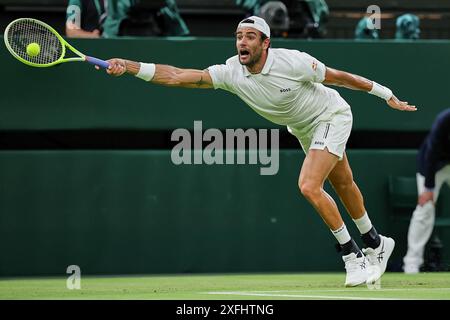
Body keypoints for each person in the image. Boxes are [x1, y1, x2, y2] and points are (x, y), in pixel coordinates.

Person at [99, 16, 416, 286]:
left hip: (331, 115)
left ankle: (352, 255)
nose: (242, 42)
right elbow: (178, 76)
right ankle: (376, 242)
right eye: (238, 36)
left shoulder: (293, 61)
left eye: (250, 36)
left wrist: (385, 93)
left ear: (266, 43)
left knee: (309, 185)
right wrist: (129, 65)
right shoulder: (230, 73)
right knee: (343, 183)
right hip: (304, 128)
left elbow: (340, 78)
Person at [403, 109, 450, 274]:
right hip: (433, 166)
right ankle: (412, 263)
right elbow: (431, 153)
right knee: (425, 209)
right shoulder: (444, 119)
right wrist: (428, 188)